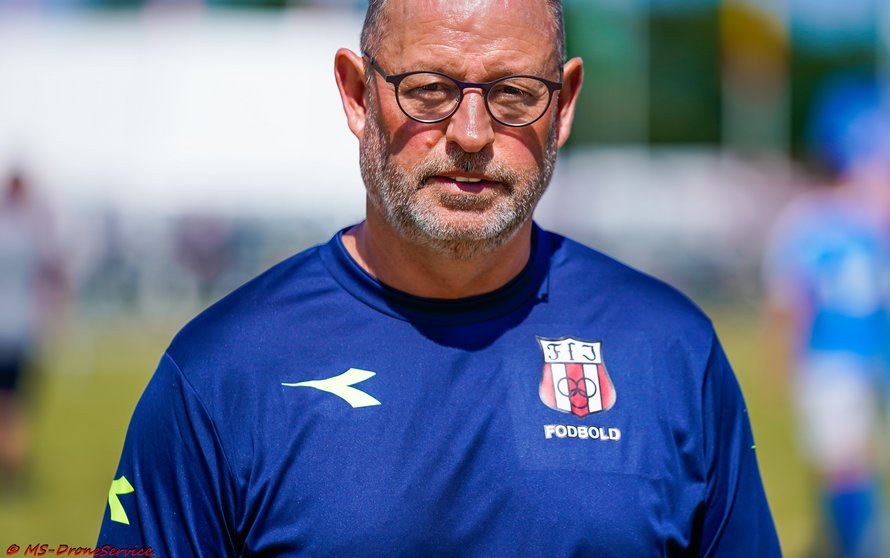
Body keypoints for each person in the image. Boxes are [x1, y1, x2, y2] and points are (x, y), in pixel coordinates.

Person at [97, 0, 780, 555]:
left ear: (565, 105)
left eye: (514, 93)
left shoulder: (671, 351)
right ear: (357, 94)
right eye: (429, 89)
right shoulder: (221, 371)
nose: (472, 134)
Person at [763, 76, 890, 558]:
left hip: (832, 358)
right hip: (861, 351)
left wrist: (781, 357)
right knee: (850, 463)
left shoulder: (809, 219)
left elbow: (791, 301)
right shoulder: (869, 218)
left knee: (843, 465)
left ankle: (855, 542)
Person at [0, 169, 62, 488]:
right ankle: (15, 462)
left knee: (7, 401)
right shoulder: (31, 230)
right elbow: (53, 269)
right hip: (22, 330)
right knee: (15, 401)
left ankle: (12, 462)